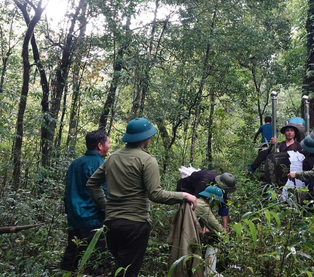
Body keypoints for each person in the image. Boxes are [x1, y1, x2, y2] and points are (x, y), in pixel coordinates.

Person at [86, 118, 197, 277]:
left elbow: (92, 184)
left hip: (112, 224)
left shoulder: (112, 158)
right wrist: (184, 195)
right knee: (128, 272)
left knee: (119, 267)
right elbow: (155, 194)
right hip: (135, 224)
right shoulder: (147, 160)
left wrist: (106, 205)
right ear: (145, 138)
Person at [60, 129, 111, 274]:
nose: (110, 145)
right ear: (100, 146)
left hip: (74, 219)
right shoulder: (101, 165)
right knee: (96, 262)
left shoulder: (74, 164)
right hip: (93, 220)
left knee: (71, 258)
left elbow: (67, 192)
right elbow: (104, 193)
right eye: (108, 142)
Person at [196, 185, 227, 277]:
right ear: (211, 199)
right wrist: (226, 236)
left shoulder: (198, 202)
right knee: (215, 236)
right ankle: (210, 271)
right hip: (188, 234)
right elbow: (218, 228)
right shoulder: (203, 206)